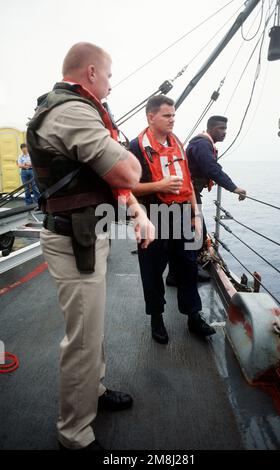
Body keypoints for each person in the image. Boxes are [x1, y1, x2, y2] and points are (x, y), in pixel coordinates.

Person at [26, 42, 154, 451]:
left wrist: (136, 211)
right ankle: (74, 434)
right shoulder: (71, 111)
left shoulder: (77, 110)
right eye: (110, 75)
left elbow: (108, 179)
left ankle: (93, 391)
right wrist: (129, 165)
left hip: (86, 234)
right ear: (92, 73)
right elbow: (128, 171)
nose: (112, 84)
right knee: (82, 338)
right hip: (73, 239)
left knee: (91, 326)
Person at [130, 95, 216, 345]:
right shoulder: (136, 148)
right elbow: (126, 188)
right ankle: (156, 319)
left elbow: (187, 180)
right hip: (152, 216)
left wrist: (195, 214)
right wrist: (160, 184)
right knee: (152, 270)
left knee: (189, 266)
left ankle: (193, 316)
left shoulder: (177, 142)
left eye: (174, 116)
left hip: (180, 215)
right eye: (167, 116)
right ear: (151, 117)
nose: (172, 120)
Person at [166, 115, 246, 286]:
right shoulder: (203, 144)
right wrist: (234, 187)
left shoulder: (201, 143)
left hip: (187, 193)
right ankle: (188, 274)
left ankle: (174, 275)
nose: (224, 132)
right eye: (221, 129)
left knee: (185, 236)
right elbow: (211, 168)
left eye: (225, 128)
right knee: (196, 235)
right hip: (188, 195)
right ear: (211, 129)